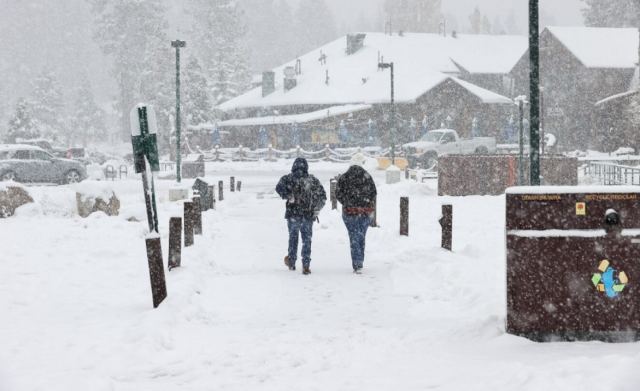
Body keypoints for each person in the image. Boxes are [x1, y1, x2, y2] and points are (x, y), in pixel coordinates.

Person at [276, 158, 326, 275]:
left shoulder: (288, 178)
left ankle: (292, 262)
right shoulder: (312, 180)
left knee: (293, 238)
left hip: (293, 214)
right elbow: (322, 196)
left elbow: (278, 188)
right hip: (308, 214)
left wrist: (288, 196)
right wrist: (316, 209)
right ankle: (306, 264)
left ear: (293, 166)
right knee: (306, 240)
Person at [336, 164, 377, 273]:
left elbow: (338, 194)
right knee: (361, 236)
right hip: (365, 212)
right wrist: (366, 202)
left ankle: (357, 262)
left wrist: (347, 203)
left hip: (349, 212)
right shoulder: (367, 177)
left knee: (353, 236)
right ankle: (360, 260)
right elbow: (374, 193)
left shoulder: (344, 177)